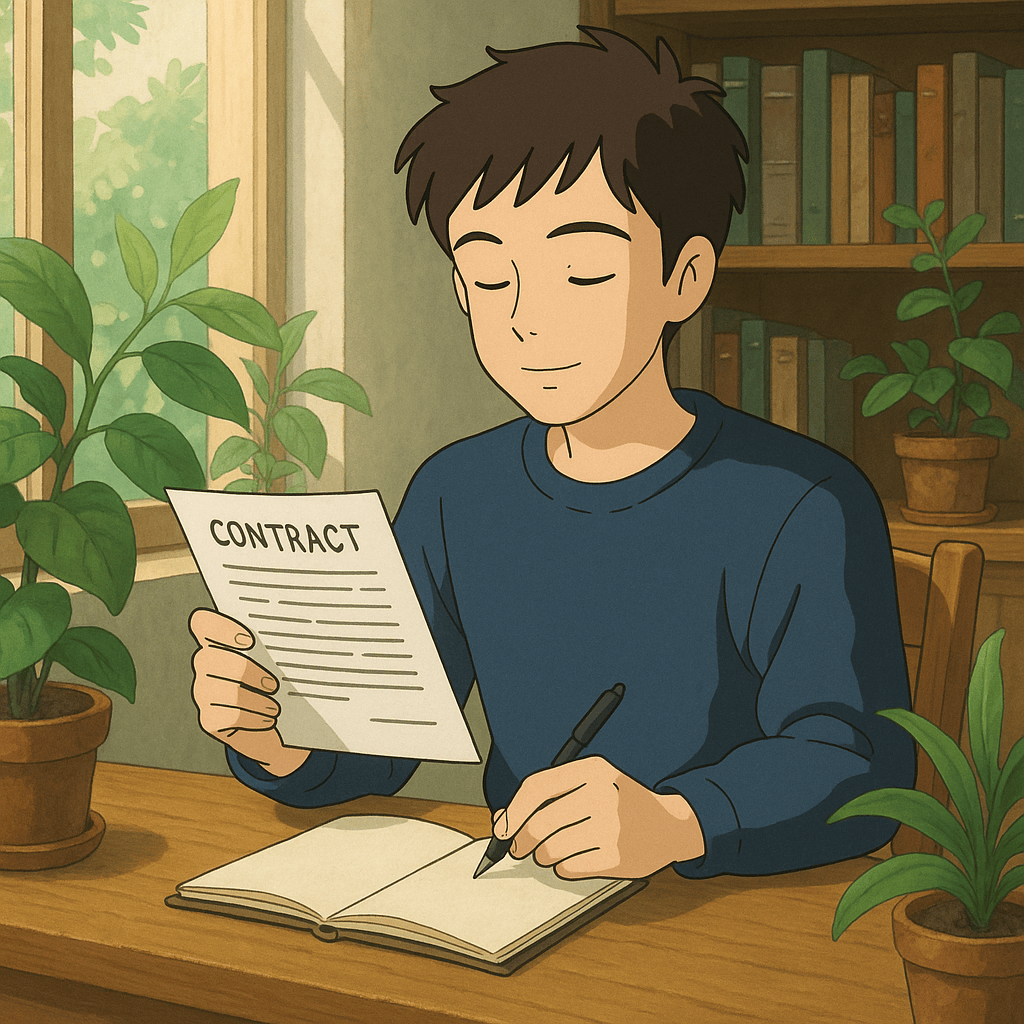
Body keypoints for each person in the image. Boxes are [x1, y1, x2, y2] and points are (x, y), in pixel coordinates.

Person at [189, 27, 915, 882]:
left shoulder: (800, 500)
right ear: (460, 289)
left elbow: (858, 763)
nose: (528, 319)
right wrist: (283, 738)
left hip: (729, 914)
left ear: (685, 276)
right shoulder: (456, 492)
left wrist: (680, 821)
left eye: (582, 273)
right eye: (491, 279)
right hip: (518, 891)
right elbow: (383, 746)